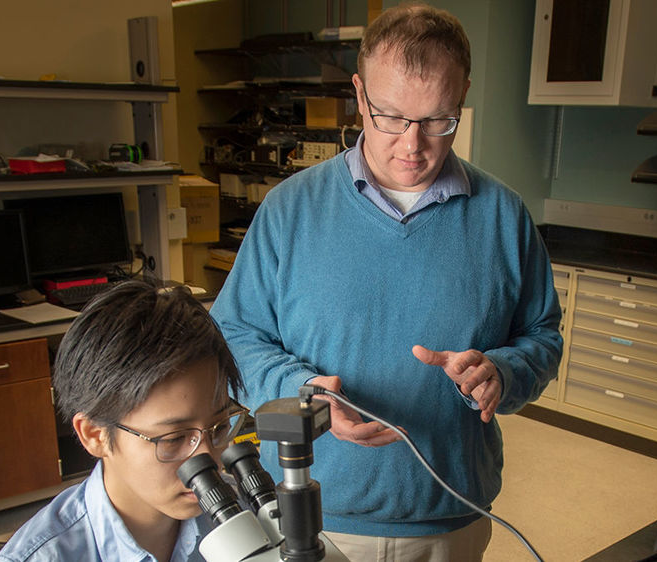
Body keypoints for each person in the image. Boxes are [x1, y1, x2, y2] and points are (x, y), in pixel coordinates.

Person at [211, 2, 563, 560]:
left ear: (463, 96)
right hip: (315, 516)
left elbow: (543, 338)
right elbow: (230, 336)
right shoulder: (289, 210)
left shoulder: (504, 217)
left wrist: (504, 371)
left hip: (452, 517)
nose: (412, 145)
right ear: (358, 93)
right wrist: (301, 393)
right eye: (391, 116)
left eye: (437, 119)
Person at [0, 281, 245, 562]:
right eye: (174, 439)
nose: (208, 460)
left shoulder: (242, 511)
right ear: (94, 434)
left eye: (220, 428)